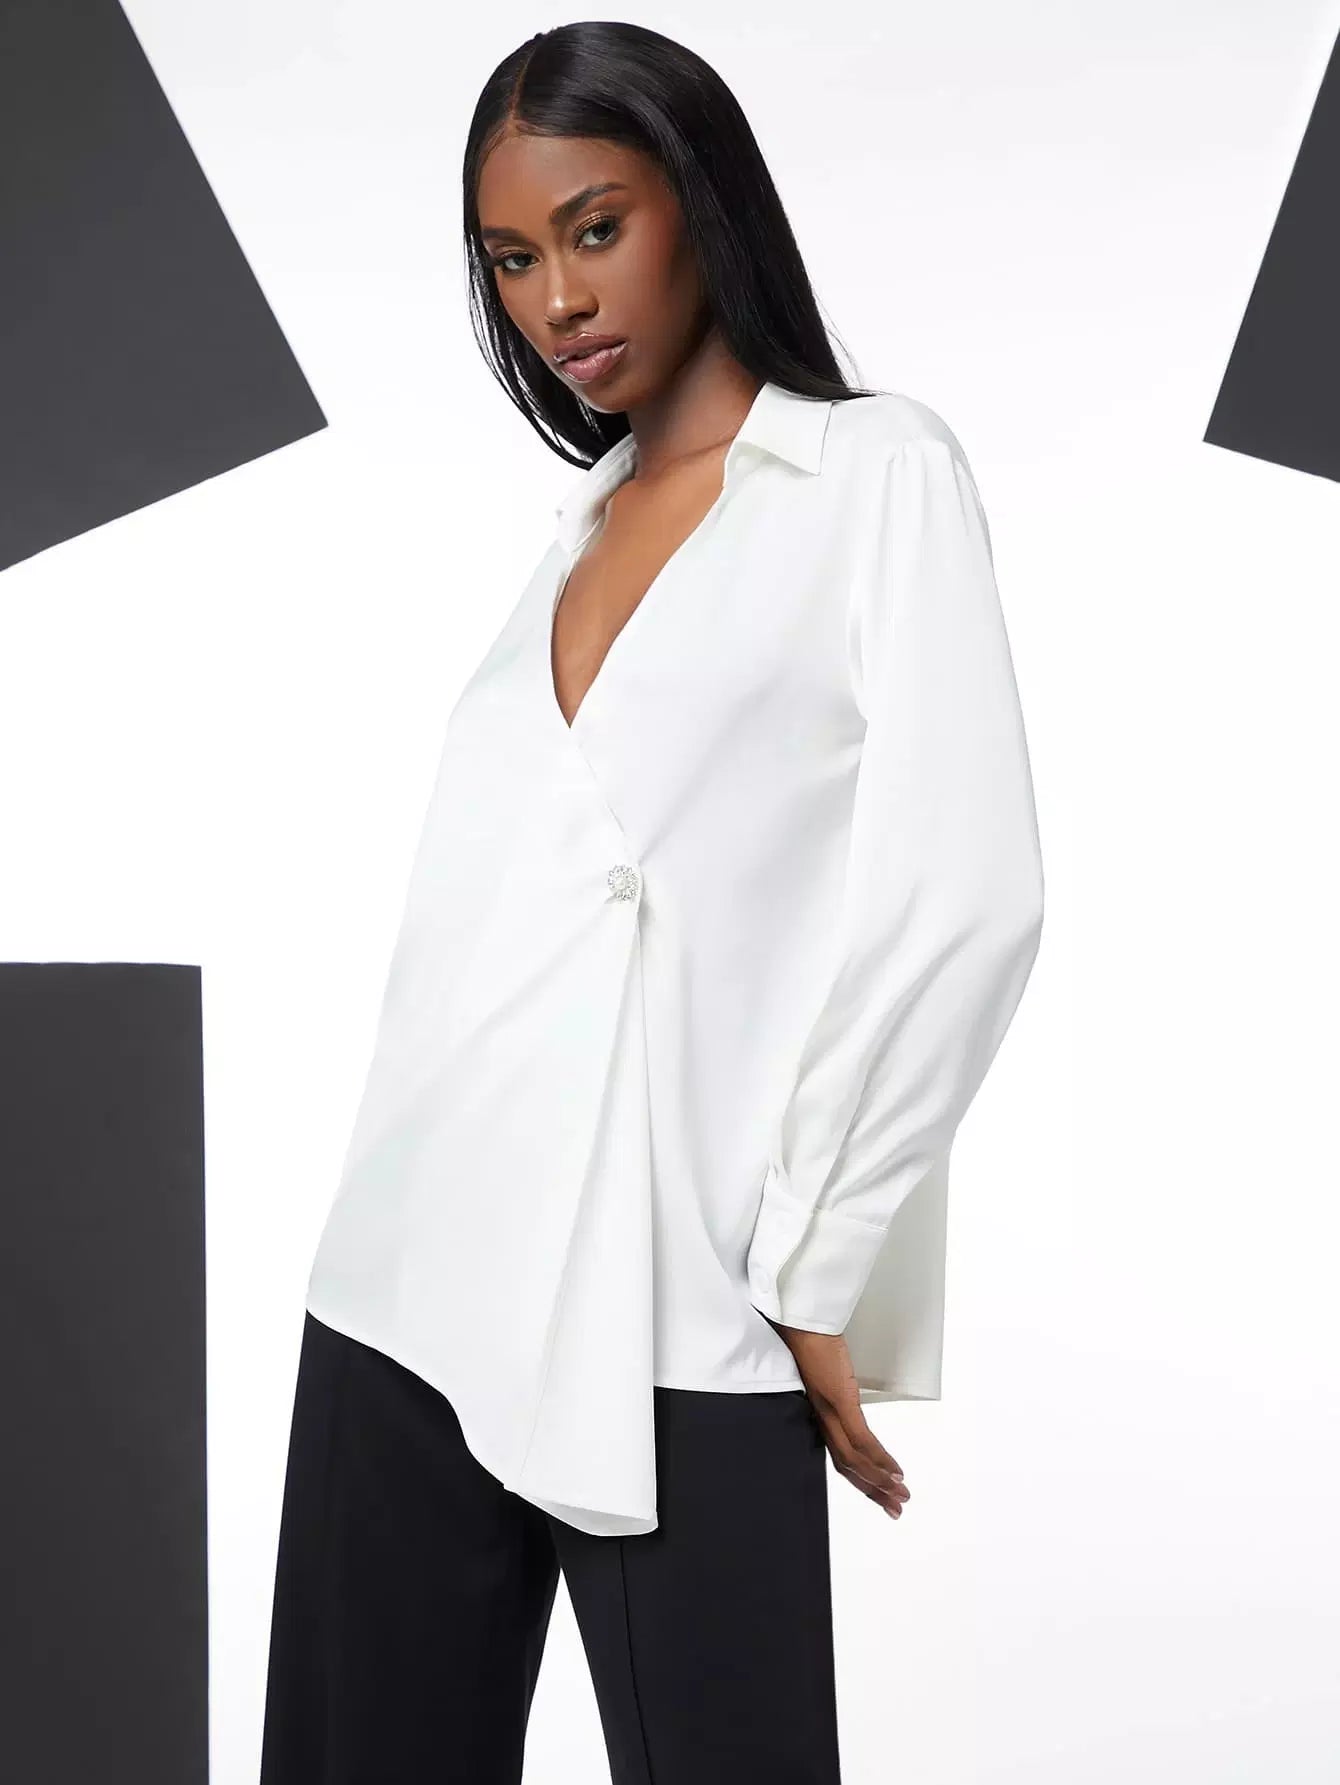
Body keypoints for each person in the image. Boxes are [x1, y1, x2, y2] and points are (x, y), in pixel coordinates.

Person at [258, 20, 1044, 1785]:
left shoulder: (873, 476)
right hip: (404, 1293)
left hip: (683, 1306)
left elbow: (967, 888)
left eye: (596, 228)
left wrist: (819, 1258)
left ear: (702, 199)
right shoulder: (578, 529)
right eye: (511, 258)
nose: (557, 299)